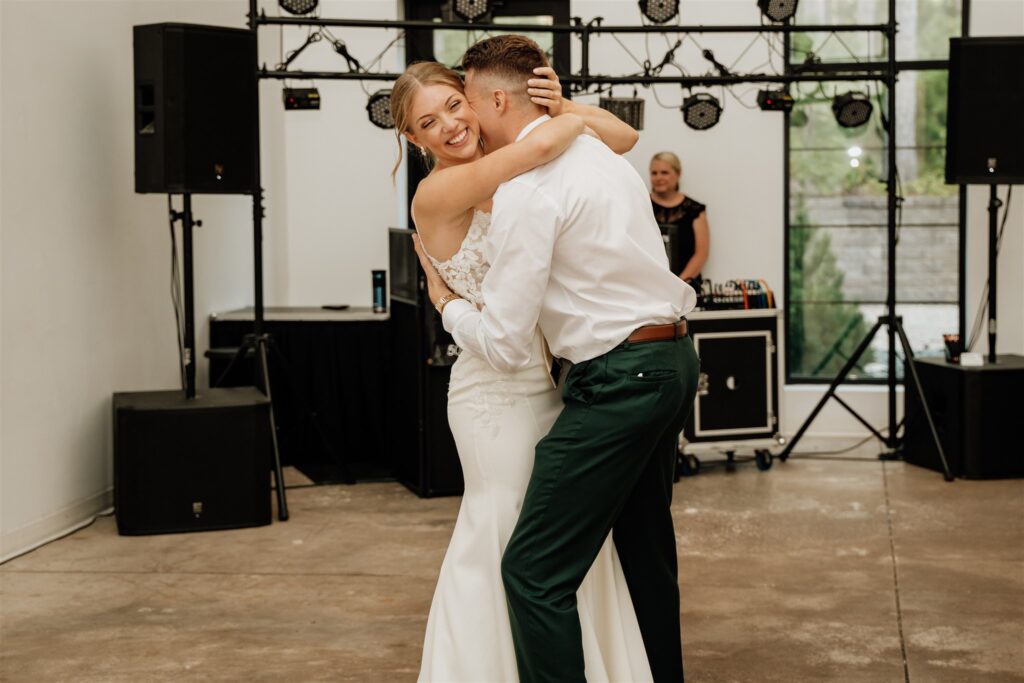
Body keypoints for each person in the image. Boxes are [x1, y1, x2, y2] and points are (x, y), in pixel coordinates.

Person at [413, 35, 699, 683]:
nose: (459, 123)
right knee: (643, 549)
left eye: (460, 103)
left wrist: (445, 304)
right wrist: (567, 110)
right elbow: (607, 135)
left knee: (532, 570)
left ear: (489, 99)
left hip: (617, 377)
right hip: (673, 357)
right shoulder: (593, 150)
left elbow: (509, 338)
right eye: (432, 120)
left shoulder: (531, 185)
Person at [650, 151, 710, 290]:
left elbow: (701, 253)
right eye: (654, 173)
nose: (658, 177)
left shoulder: (694, 210)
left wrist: (677, 285)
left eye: (664, 172)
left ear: (678, 174)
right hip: (650, 289)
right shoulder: (641, 205)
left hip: (685, 287)